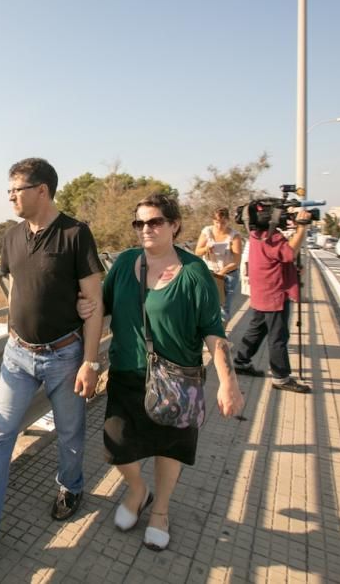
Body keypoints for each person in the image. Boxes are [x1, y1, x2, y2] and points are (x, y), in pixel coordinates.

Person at [0, 157, 105, 557]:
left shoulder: (75, 233)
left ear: (41, 190)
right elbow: (15, 285)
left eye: (15, 189)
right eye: (8, 190)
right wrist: (13, 331)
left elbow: (94, 302)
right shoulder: (12, 236)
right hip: (17, 355)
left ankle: (70, 488)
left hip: (65, 355)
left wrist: (90, 361)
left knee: (69, 434)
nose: (9, 197)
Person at [83, 193, 244, 552]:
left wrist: (227, 383)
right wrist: (86, 305)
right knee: (116, 446)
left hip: (178, 376)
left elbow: (213, 332)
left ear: (174, 225)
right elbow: (103, 305)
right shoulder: (125, 263)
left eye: (154, 221)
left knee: (169, 448)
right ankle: (139, 492)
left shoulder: (194, 273)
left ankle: (161, 511)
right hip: (127, 372)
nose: (146, 229)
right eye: (139, 223)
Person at [232, 208, 312, 393]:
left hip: (262, 291)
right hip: (275, 293)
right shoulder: (271, 237)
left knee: (257, 329)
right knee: (278, 337)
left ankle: (241, 361)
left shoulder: (256, 235)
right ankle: (281, 377)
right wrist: (301, 227)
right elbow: (290, 253)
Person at [194, 207, 243, 324]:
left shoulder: (234, 236)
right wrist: (206, 248)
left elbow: (236, 261)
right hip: (210, 273)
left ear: (228, 221)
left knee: (223, 308)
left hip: (227, 275)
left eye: (223, 223)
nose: (219, 226)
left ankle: (222, 338)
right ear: (213, 221)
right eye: (217, 223)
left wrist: (222, 272)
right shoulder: (207, 231)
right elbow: (197, 251)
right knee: (206, 305)